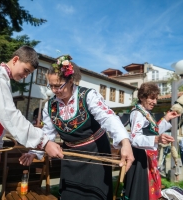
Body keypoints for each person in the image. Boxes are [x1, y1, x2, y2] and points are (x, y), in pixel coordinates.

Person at [19, 54, 134, 200]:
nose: (54, 90)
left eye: (58, 85)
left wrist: (125, 142)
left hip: (95, 153)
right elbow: (47, 132)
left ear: (71, 80)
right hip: (70, 156)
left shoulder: (88, 96)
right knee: (70, 195)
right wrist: (33, 152)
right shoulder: (50, 105)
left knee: (95, 195)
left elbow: (108, 117)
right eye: (51, 86)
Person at [0, 45, 63, 199]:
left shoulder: (3, 79)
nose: (26, 76)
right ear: (15, 60)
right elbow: (9, 116)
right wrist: (44, 142)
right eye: (26, 70)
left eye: (29, 73)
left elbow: (1, 118)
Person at [123, 82, 180, 200]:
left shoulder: (145, 112)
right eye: (152, 98)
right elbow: (134, 138)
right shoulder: (137, 113)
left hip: (147, 158)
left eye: (156, 99)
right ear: (142, 97)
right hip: (140, 158)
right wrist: (156, 139)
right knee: (141, 192)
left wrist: (166, 118)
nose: (155, 102)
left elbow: (154, 131)